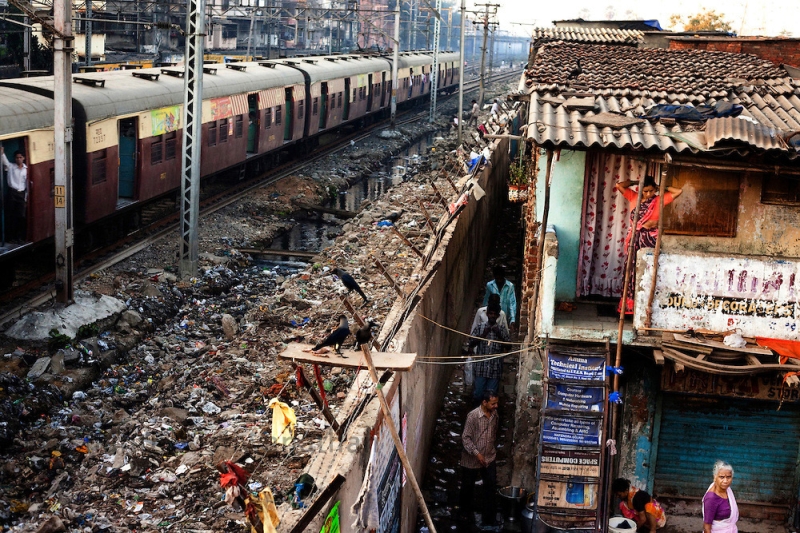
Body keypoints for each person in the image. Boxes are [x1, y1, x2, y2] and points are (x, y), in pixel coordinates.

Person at [614, 176, 682, 314]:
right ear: (640, 190)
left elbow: (678, 191)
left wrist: (660, 186)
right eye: (645, 191)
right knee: (631, 271)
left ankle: (646, 305)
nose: (648, 194)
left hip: (650, 240)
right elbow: (619, 185)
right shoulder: (634, 198)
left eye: (651, 191)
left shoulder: (659, 200)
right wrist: (635, 182)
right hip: (634, 240)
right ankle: (630, 306)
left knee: (648, 270)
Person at [459, 390, 500, 531]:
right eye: (493, 403)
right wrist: (477, 454)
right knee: (467, 489)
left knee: (490, 488)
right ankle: (465, 517)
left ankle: (488, 519)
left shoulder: (495, 415)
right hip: (471, 460)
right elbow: (465, 438)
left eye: (496, 403)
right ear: (484, 402)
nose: (496, 406)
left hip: (489, 457)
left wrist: (487, 453)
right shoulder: (473, 416)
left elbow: (494, 433)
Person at [469, 302, 509, 404]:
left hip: (495, 369)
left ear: (498, 316)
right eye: (490, 313)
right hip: (481, 368)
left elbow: (509, 346)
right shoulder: (480, 327)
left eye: (494, 314)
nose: (492, 316)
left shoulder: (501, 329)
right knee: (478, 395)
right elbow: (471, 343)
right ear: (487, 314)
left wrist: (499, 334)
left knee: (491, 398)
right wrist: (483, 335)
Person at [0, 146, 28, 244]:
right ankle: (11, 238)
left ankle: (19, 238)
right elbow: (5, 161)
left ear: (23, 158)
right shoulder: (11, 167)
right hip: (12, 193)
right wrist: (2, 153)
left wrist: (25, 198)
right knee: (11, 217)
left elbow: (27, 184)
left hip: (21, 194)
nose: (18, 159)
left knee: (21, 217)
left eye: (20, 157)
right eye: (17, 158)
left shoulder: (26, 170)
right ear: (15, 158)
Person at [703, 461, 738, 533]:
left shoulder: (728, 490)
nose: (725, 481)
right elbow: (707, 528)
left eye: (728, 477)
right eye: (721, 477)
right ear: (715, 477)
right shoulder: (711, 498)